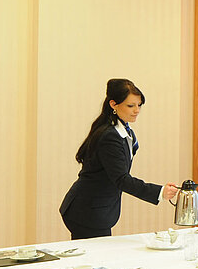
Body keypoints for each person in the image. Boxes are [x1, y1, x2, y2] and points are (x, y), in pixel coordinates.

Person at [60, 78, 178, 240]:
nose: (136, 110)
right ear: (113, 104)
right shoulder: (110, 136)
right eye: (131, 106)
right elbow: (121, 179)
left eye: (139, 105)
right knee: (97, 255)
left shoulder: (122, 131)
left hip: (96, 209)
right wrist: (160, 192)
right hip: (87, 210)